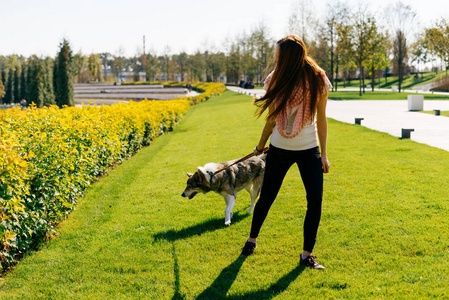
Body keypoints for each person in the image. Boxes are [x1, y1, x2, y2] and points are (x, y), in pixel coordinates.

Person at [240, 35, 332, 270]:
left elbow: (321, 118)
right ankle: (252, 240)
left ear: (290, 57)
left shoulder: (318, 79)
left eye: (279, 55)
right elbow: (272, 118)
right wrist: (260, 148)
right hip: (280, 148)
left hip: (309, 148)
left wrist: (324, 153)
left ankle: (306, 255)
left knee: (316, 200)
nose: (275, 58)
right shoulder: (275, 80)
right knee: (267, 196)